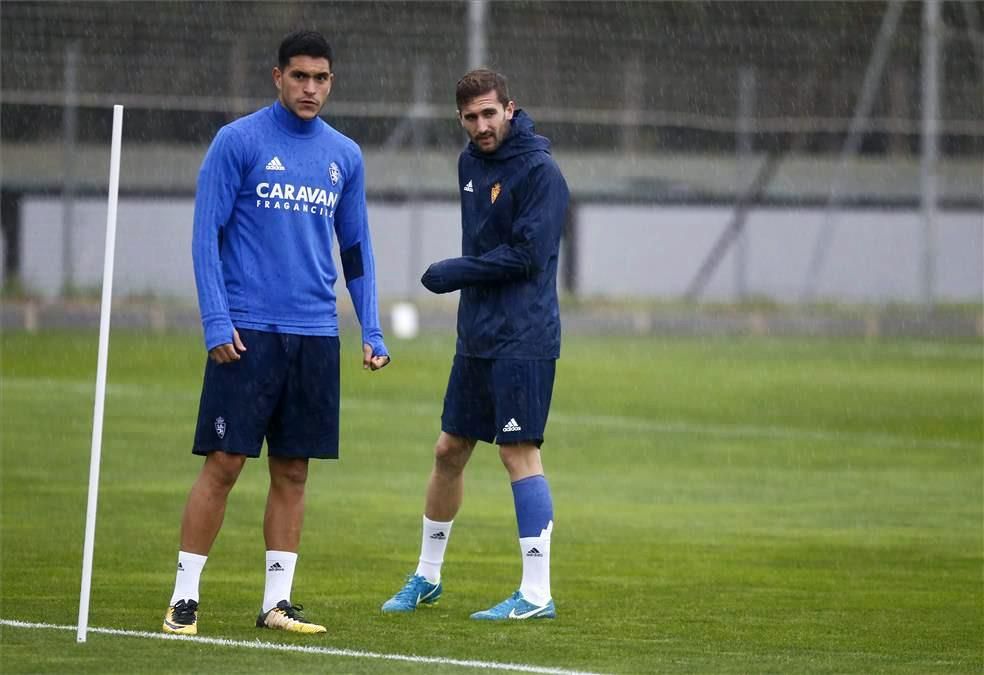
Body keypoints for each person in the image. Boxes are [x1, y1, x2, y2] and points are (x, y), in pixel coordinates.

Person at [163, 30, 390, 636]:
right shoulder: (237, 142)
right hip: (247, 332)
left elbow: (357, 250)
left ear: (331, 82)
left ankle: (277, 603)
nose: (310, 88)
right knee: (226, 463)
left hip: (316, 335)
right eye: (299, 77)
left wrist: (370, 326)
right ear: (277, 77)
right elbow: (204, 236)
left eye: (320, 79)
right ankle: (184, 600)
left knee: (294, 471)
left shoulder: (345, 154)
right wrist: (216, 318)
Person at [381, 69, 569, 620]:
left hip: (524, 336)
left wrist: (456, 272)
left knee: (518, 453)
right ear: (460, 119)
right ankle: (427, 576)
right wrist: (466, 284)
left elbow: (528, 257)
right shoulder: (468, 163)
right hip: (477, 338)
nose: (482, 125)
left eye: (491, 113)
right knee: (448, 451)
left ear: (511, 108)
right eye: (471, 117)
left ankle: (536, 594)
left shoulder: (541, 172)